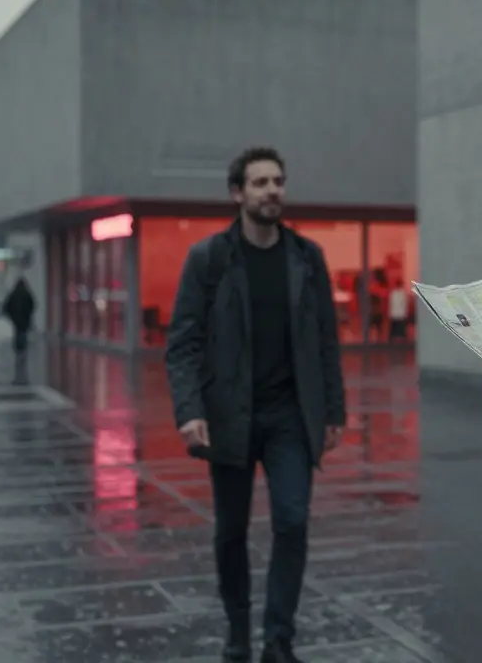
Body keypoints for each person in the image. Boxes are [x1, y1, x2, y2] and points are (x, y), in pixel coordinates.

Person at [165, 146, 347, 663]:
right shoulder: (210, 259)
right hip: (229, 416)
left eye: (278, 181)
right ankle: (239, 629)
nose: (273, 190)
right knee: (231, 531)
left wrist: (333, 410)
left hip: (291, 415)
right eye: (261, 182)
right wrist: (189, 409)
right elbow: (183, 343)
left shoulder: (306, 258)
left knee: (292, 521)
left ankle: (278, 638)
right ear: (237, 193)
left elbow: (325, 342)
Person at [1, 276, 36, 354]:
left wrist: (11, 315)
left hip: (16, 317)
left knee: (17, 331)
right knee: (23, 331)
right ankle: (22, 347)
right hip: (25, 317)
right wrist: (28, 314)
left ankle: (18, 347)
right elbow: (32, 305)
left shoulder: (13, 294)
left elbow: (6, 306)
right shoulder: (27, 293)